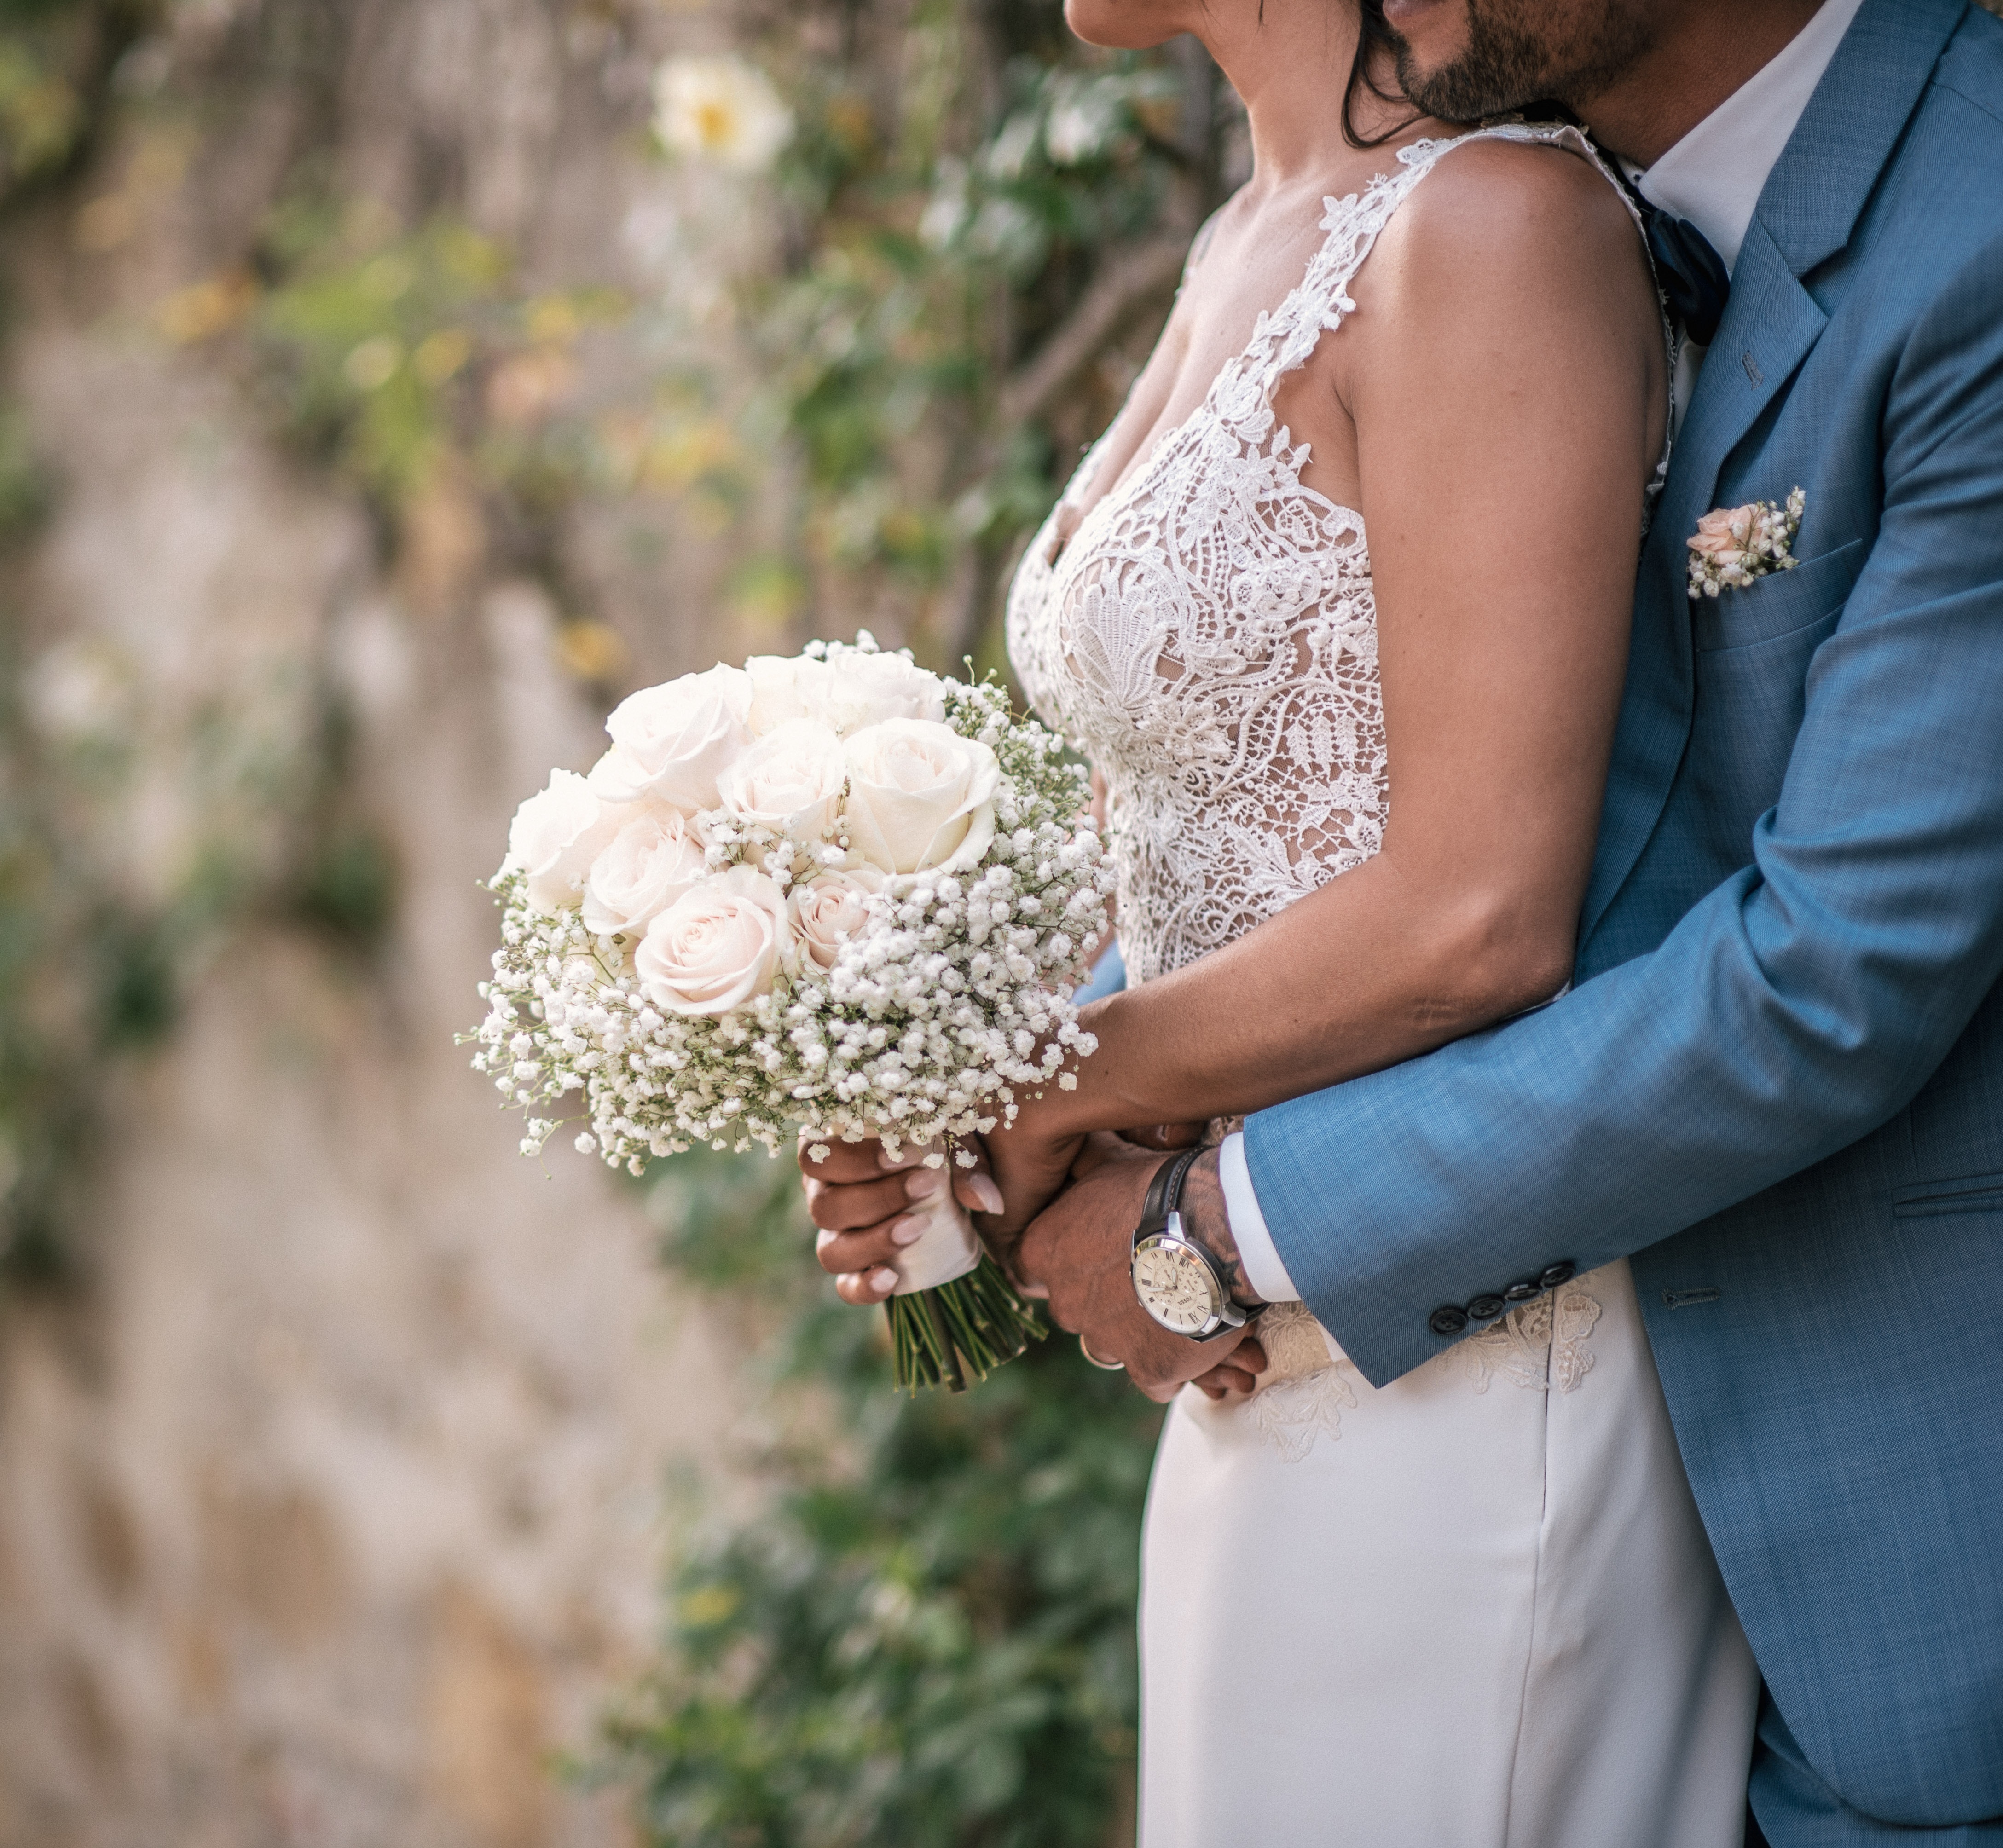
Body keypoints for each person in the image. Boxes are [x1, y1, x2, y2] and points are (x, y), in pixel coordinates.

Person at [805, 0, 2003, 1840]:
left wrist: (1131, 1154)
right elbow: (1355, 792)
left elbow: (1698, 943)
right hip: (1351, 1322)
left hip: (1619, 1379)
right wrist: (976, 1071)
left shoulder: (1557, 221)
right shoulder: (1387, 212)